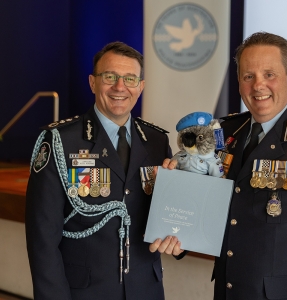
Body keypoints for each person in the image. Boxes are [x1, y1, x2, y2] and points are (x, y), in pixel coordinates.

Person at [164, 31, 287, 299]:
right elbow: (208, 201)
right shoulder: (225, 133)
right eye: (248, 76)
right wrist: (180, 229)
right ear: (239, 82)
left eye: (269, 74)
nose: (258, 85)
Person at [25, 41, 181, 300]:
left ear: (140, 87)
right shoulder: (60, 141)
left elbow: (170, 214)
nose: (120, 87)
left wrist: (180, 237)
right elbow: (42, 239)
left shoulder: (156, 141)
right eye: (110, 77)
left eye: (130, 78)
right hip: (84, 292)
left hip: (146, 290)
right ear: (92, 82)